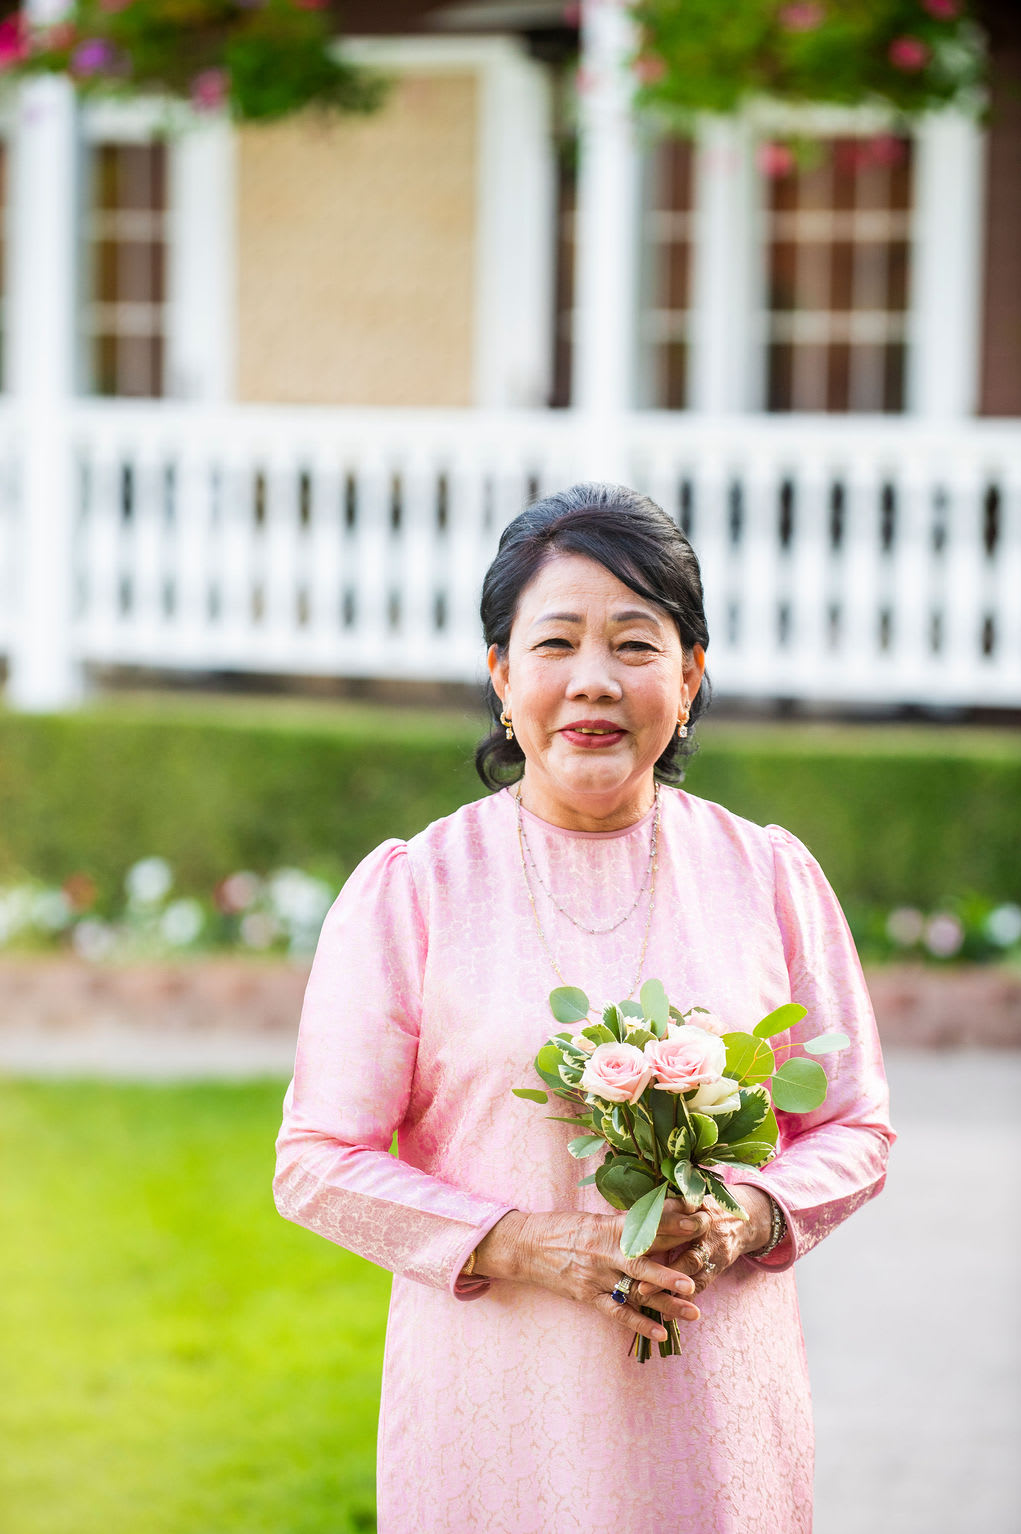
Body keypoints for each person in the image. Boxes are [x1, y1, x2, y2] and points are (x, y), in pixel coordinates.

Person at [273, 481, 895, 1533]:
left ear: (689, 678)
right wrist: (520, 1241)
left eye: (636, 645)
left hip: (714, 1407)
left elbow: (853, 1124)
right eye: (555, 643)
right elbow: (316, 1158)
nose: (594, 681)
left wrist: (747, 1217)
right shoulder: (415, 886)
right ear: (502, 678)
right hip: (496, 1396)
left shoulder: (767, 874)